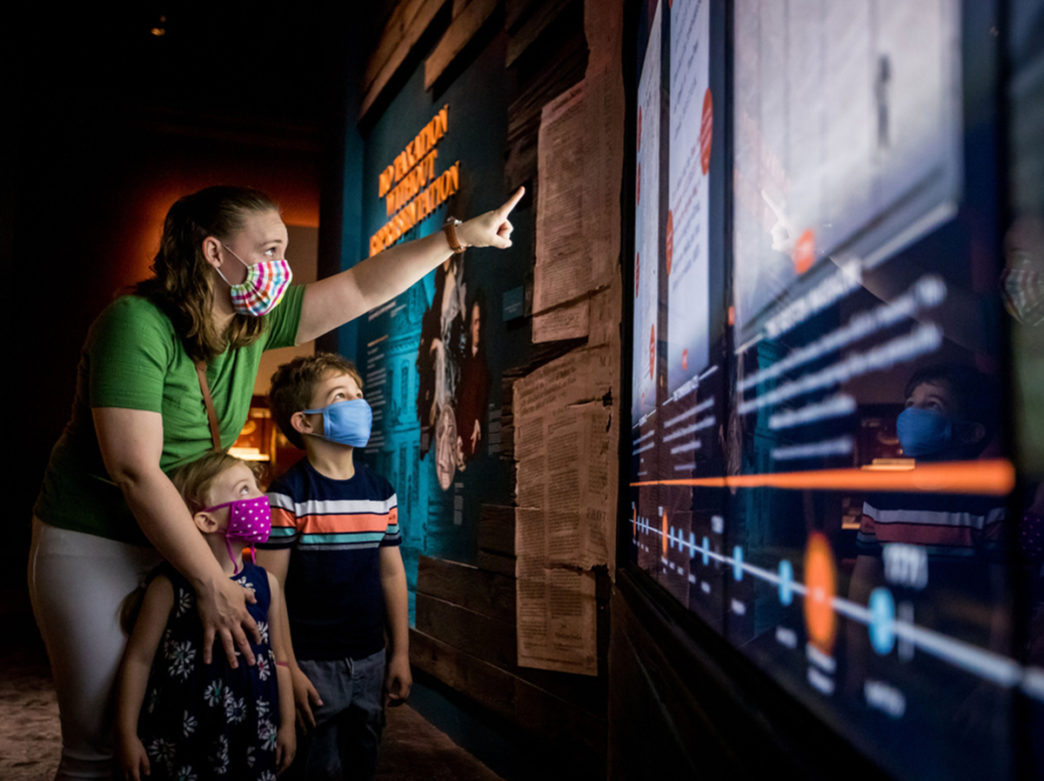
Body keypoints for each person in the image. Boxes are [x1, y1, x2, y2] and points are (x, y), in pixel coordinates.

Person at [28, 183, 523, 778]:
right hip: (96, 540)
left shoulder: (251, 324)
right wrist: (211, 581)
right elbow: (134, 470)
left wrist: (456, 238)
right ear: (214, 253)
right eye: (268, 250)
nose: (281, 269)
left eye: (284, 251)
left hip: (186, 541)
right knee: (101, 745)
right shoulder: (134, 324)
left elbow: (364, 286)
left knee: (170, 731)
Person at [257, 352, 407, 780]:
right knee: (312, 766)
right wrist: (285, 668)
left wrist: (400, 653)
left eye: (358, 394)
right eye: (341, 396)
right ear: (305, 422)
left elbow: (392, 574)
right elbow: (271, 587)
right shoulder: (287, 496)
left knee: (363, 759)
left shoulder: (381, 492)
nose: (359, 404)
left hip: (371, 658)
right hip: (311, 663)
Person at [116, 453, 295, 781]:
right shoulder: (168, 587)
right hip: (183, 730)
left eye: (258, 487)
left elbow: (280, 658)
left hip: (254, 729)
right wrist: (126, 733)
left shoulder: (267, 584)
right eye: (244, 490)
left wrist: (287, 725)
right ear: (206, 520)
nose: (260, 498)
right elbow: (138, 660)